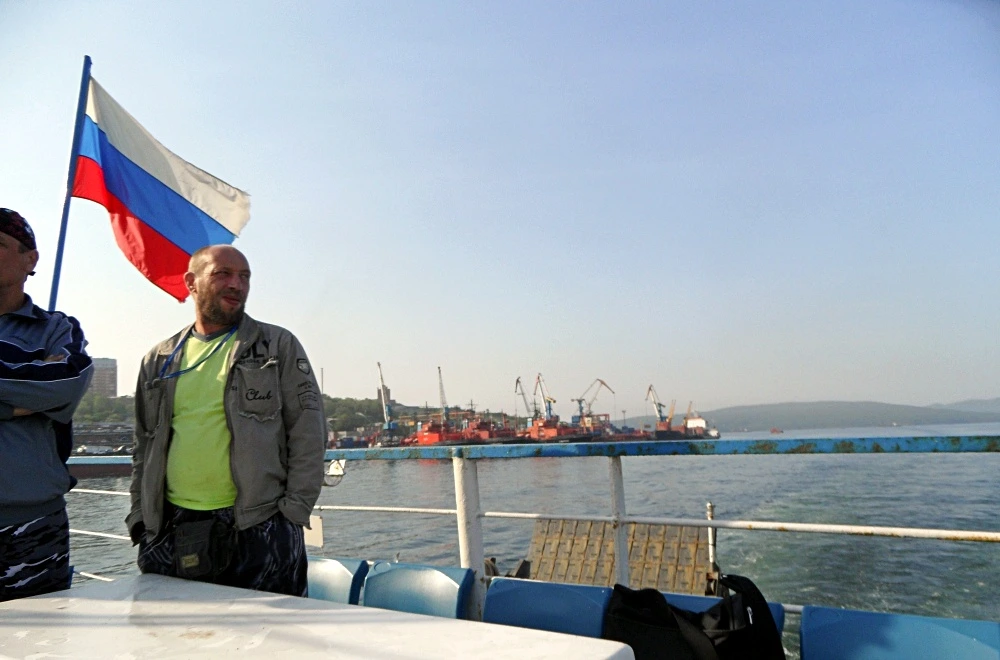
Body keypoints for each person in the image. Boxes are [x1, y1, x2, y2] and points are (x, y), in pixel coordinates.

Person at [127, 245, 326, 597]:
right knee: (177, 627)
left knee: (273, 629)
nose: (237, 284)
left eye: (244, 276)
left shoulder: (277, 346)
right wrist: (140, 517)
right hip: (172, 526)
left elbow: (308, 432)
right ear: (191, 282)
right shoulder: (158, 360)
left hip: (260, 523)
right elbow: (144, 445)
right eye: (223, 274)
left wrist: (293, 513)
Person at [0, 207, 93, 602]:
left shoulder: (57, 328)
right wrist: (17, 404)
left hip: (33, 525)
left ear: (30, 259)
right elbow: (45, 387)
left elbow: (65, 385)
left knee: (38, 633)